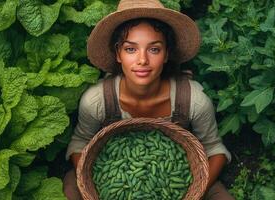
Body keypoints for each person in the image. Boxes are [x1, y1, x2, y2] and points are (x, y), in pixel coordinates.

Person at [63, 0, 234, 199]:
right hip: (106, 186)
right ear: (118, 53)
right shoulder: (97, 100)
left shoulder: (192, 100)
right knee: (71, 190)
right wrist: (95, 180)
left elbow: (215, 149)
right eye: (130, 49)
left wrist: (195, 191)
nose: (142, 60)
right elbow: (79, 144)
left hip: (188, 183)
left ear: (167, 54)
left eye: (154, 49)